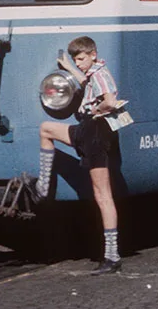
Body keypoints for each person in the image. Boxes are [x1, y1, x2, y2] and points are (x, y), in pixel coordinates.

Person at [36, 35, 128, 275]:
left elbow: (110, 101)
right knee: (45, 130)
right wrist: (67, 67)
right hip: (87, 130)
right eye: (76, 59)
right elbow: (86, 81)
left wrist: (97, 109)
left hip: (96, 133)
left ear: (93, 55)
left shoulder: (100, 74)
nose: (79, 63)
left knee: (103, 196)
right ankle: (43, 187)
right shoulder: (94, 72)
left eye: (81, 59)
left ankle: (112, 255)